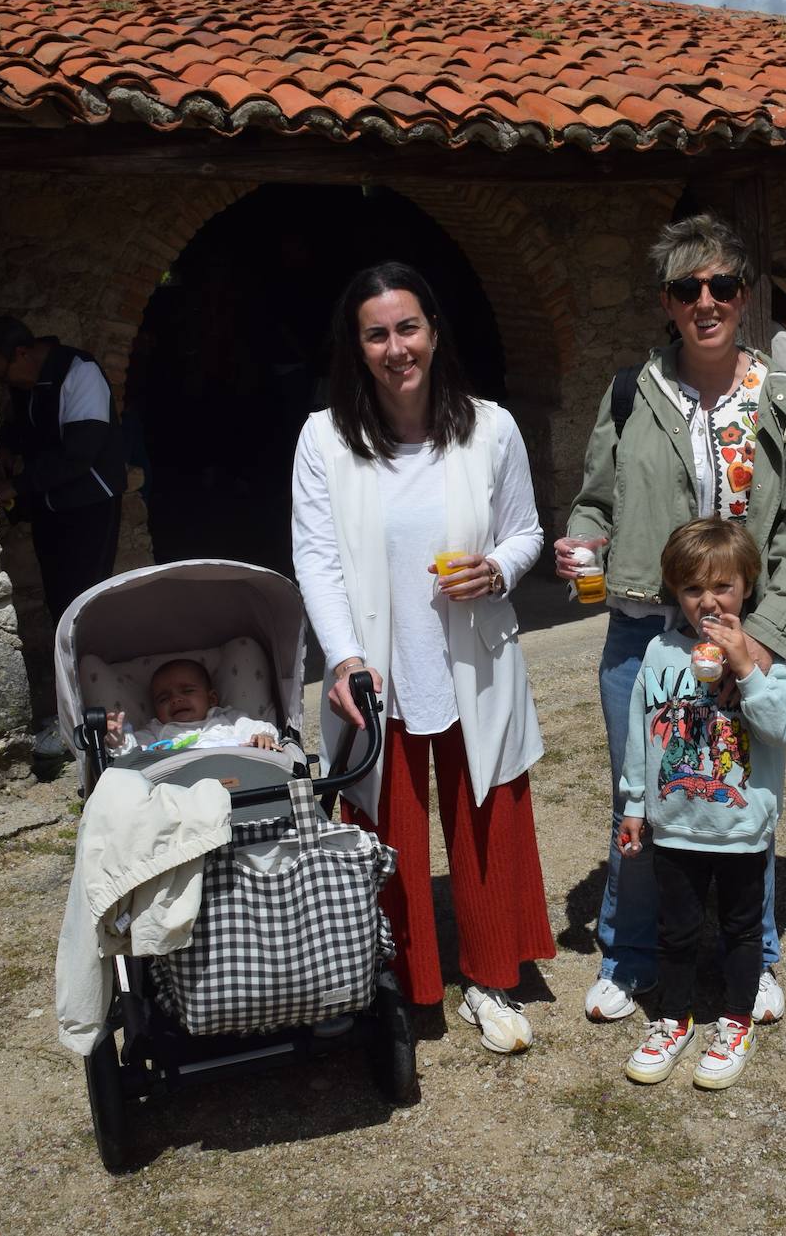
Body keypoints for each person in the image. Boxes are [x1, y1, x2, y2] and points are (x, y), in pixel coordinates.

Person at [557, 213, 786, 1028]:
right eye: (689, 288)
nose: (706, 301)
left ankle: (749, 961)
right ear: (667, 302)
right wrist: (582, 540)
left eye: (722, 285)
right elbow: (594, 497)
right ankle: (629, 952)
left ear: (746, 297)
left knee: (741, 797)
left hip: (744, 638)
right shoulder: (631, 392)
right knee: (642, 798)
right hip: (644, 633)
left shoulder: (785, 400)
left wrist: (767, 636)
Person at [291, 261, 555, 1055]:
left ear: (435, 334)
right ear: (357, 347)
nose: (396, 347)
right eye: (378, 334)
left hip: (474, 652)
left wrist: (500, 569)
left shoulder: (490, 427)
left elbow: (526, 530)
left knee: (486, 818)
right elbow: (317, 557)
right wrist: (342, 659)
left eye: (408, 328)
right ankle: (400, 979)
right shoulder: (325, 439)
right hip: (382, 667)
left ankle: (490, 974)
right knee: (387, 827)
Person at [619, 519, 786, 1089]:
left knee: (743, 930)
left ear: (747, 586)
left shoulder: (768, 657)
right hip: (675, 822)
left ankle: (737, 1020)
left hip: (742, 826)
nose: (708, 601)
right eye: (693, 588)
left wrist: (746, 666)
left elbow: (783, 727)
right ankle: (674, 1019)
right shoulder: (659, 652)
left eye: (723, 587)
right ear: (675, 591)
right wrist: (632, 804)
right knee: (675, 930)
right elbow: (639, 731)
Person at [0, 315, 125, 625]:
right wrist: (6, 446)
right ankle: (69, 665)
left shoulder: (79, 372)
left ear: (21, 353)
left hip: (90, 505)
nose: (6, 384)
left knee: (85, 598)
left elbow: (78, 454)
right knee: (59, 596)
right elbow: (21, 423)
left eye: (3, 376)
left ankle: (90, 666)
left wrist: (16, 486)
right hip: (50, 503)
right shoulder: (27, 381)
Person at [103, 658, 280, 754]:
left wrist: (264, 736)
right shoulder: (156, 731)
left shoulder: (228, 719)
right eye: (164, 698)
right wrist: (119, 741)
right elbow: (133, 752)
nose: (176, 700)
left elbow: (256, 728)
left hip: (235, 775)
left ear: (211, 699)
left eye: (187, 691)